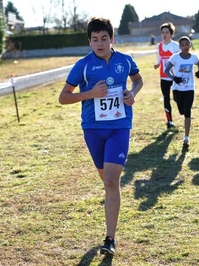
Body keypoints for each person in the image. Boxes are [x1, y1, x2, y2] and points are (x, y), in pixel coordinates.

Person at [58, 17, 144, 257]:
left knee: (110, 180)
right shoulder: (83, 65)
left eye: (103, 38)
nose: (99, 43)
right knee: (106, 180)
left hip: (119, 126)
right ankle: (111, 204)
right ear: (89, 41)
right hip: (93, 129)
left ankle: (110, 238)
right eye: (94, 39)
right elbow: (63, 97)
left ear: (111, 39)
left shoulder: (125, 61)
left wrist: (132, 94)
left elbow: (138, 80)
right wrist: (90, 93)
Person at [164, 36, 199, 148]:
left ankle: (186, 137)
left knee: (187, 111)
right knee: (181, 110)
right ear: (180, 47)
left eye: (187, 44)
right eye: (183, 45)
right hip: (177, 89)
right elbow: (166, 70)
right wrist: (173, 78)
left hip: (189, 88)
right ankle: (182, 112)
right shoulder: (175, 58)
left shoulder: (194, 57)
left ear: (190, 45)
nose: (185, 47)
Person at [153, 22, 181, 129]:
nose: (164, 34)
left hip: (174, 76)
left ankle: (181, 109)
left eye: (167, 32)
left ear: (171, 34)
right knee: (166, 98)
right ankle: (169, 121)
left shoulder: (175, 46)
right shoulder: (159, 46)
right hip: (163, 76)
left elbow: (180, 59)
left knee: (176, 97)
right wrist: (157, 64)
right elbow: (159, 59)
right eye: (163, 32)